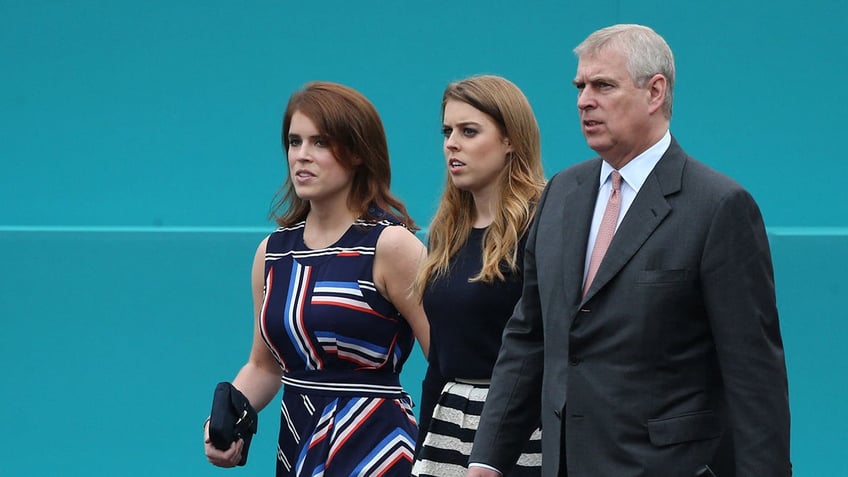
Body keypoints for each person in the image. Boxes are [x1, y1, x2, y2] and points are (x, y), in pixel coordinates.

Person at [467, 24, 791, 477]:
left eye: (603, 85)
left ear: (655, 92)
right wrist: (487, 459)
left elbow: (754, 373)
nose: (584, 100)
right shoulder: (562, 192)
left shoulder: (718, 207)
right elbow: (530, 337)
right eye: (580, 86)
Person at [203, 81, 430, 476]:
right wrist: (226, 419)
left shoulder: (390, 246)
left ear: (358, 152)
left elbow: (446, 358)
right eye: (294, 142)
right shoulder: (272, 254)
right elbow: (264, 366)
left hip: (378, 448)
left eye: (320, 142)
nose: (302, 156)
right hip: (298, 445)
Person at [411, 75, 546, 477]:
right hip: (447, 423)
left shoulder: (544, 222)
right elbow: (439, 358)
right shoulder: (446, 231)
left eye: (469, 131)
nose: (452, 143)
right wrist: (422, 449)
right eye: (447, 131)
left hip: (521, 428)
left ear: (510, 140)